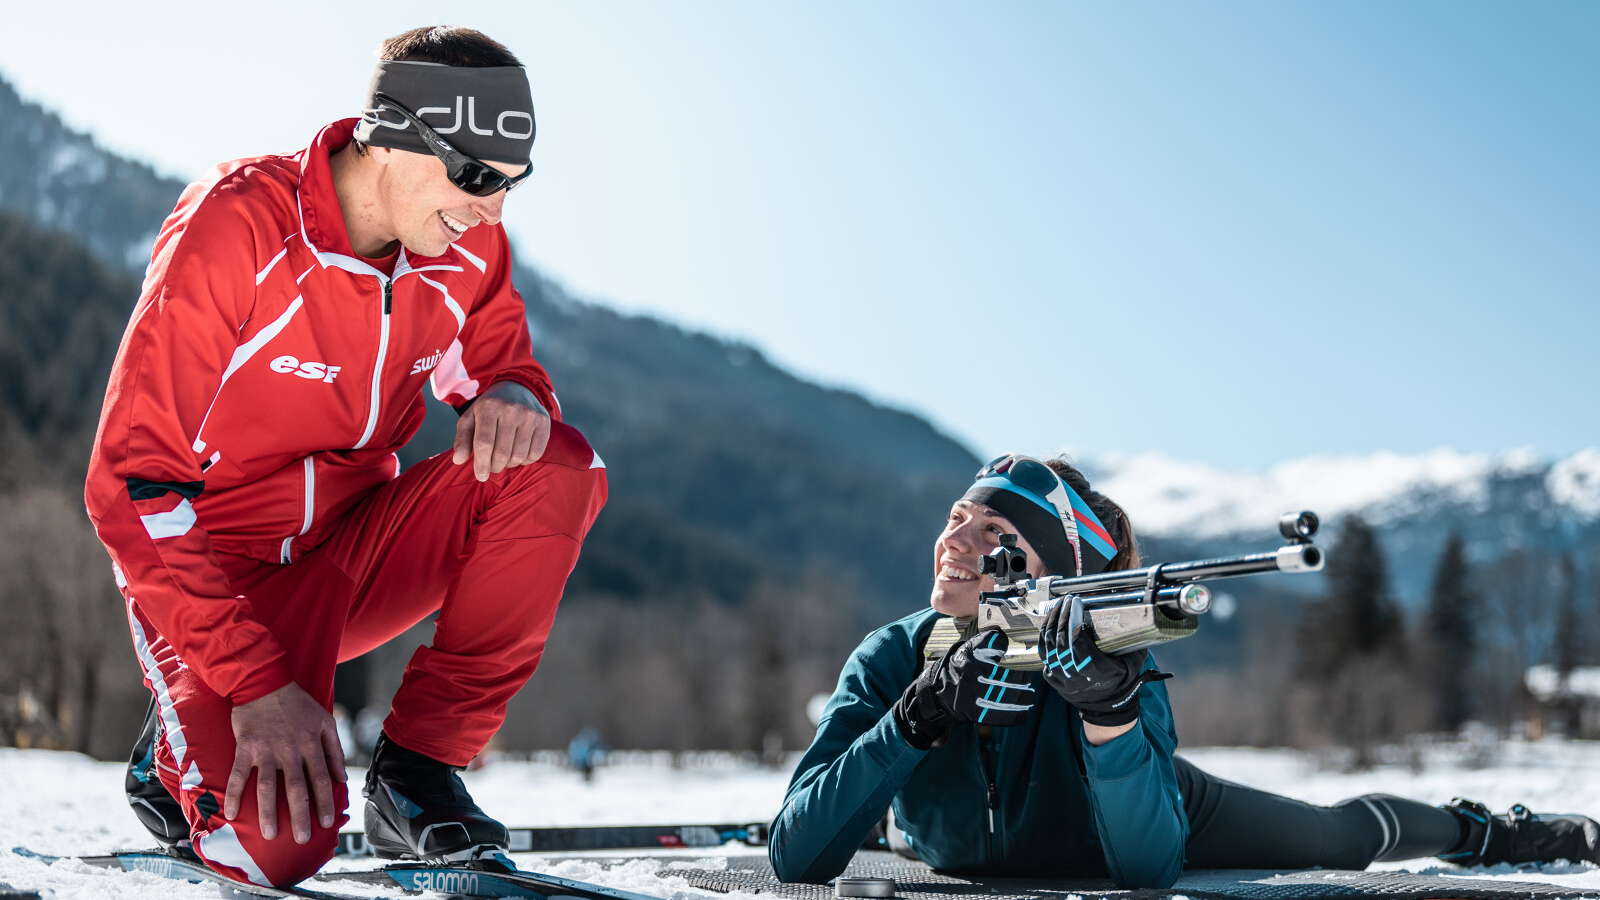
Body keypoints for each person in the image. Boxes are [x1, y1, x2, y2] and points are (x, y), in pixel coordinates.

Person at [88, 26, 608, 888]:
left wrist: (516, 392)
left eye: (514, 184)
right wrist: (254, 684)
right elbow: (128, 483)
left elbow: (502, 366)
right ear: (395, 136)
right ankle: (185, 740)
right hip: (217, 580)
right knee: (276, 850)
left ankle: (416, 771)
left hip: (350, 561)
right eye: (478, 177)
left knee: (557, 466)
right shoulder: (238, 226)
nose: (495, 209)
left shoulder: (467, 250)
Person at [768, 454, 1600, 888]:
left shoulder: (1104, 650)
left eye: (995, 534)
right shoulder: (888, 658)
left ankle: (1484, 830)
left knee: (1334, 837)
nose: (957, 539)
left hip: (1155, 807)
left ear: (1051, 568)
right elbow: (797, 857)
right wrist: (912, 721)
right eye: (958, 517)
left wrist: (1109, 712)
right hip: (938, 841)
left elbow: (1145, 869)